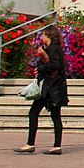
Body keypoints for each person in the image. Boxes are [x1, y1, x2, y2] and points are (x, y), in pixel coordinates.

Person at [13, 25, 69, 155]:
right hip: (53, 86)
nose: (42, 37)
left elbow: (55, 65)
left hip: (50, 88)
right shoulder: (54, 48)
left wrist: (41, 68)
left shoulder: (53, 49)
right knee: (55, 116)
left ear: (49, 35)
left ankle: (30, 144)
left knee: (34, 112)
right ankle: (56, 146)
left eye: (43, 34)